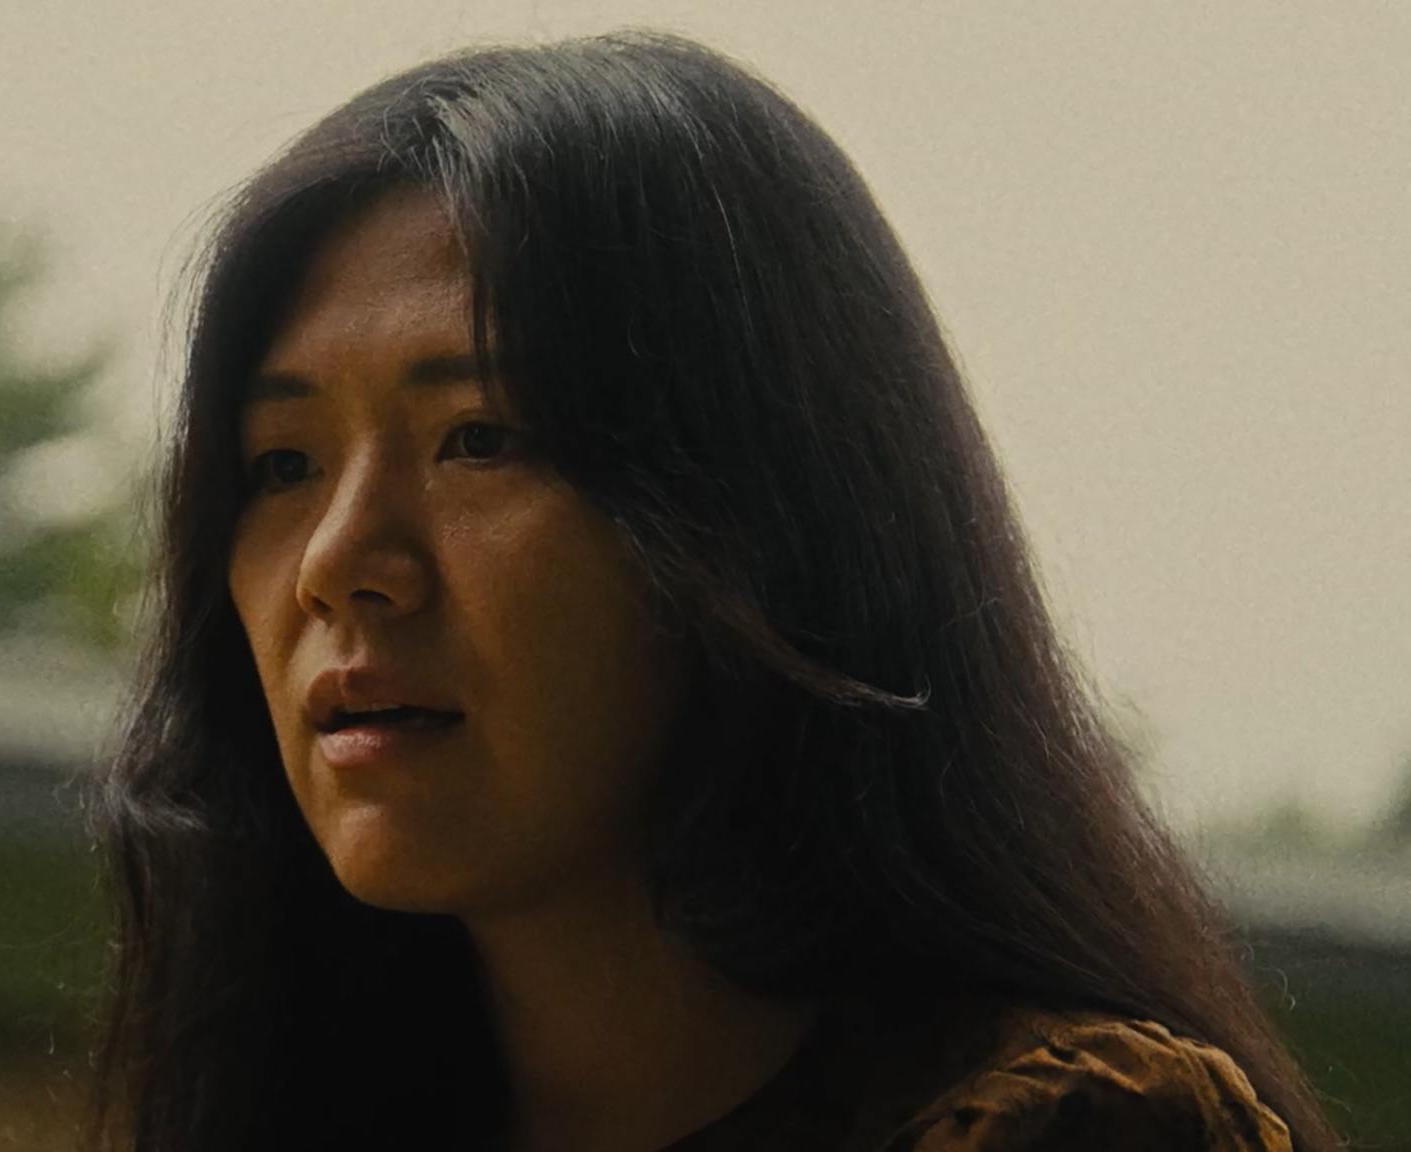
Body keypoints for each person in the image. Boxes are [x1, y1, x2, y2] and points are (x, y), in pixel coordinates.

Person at [80, 29, 1337, 1152]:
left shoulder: (1069, 1129)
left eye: (478, 438)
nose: (336, 562)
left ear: (755, 510)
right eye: (281, 464)